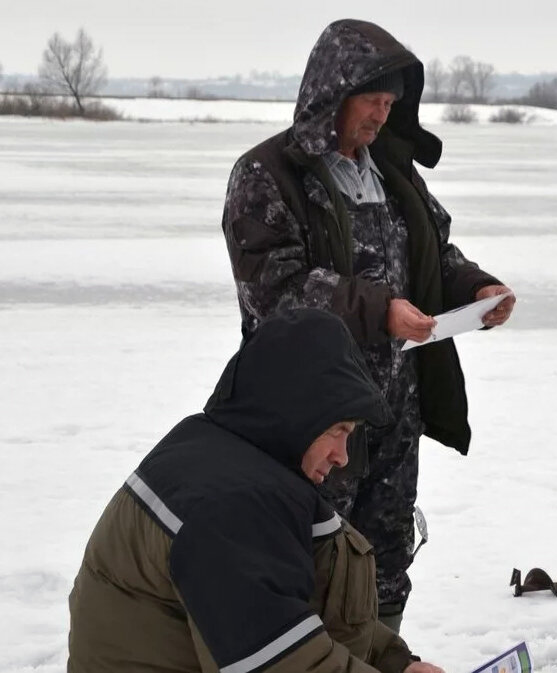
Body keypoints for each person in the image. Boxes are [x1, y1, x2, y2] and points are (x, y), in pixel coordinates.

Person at [220, 19, 515, 632]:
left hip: (392, 414)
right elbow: (274, 292)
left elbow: (435, 253)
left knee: (385, 563)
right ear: (334, 92)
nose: (382, 116)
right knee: (311, 559)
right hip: (310, 420)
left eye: (390, 104)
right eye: (372, 100)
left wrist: (477, 289)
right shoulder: (267, 175)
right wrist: (380, 309)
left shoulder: (392, 171)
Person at [68, 309, 445, 673]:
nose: (342, 457)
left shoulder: (228, 457)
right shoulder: (231, 504)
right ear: (298, 410)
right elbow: (277, 662)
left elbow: (289, 606)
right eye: (338, 431)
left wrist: (396, 663)